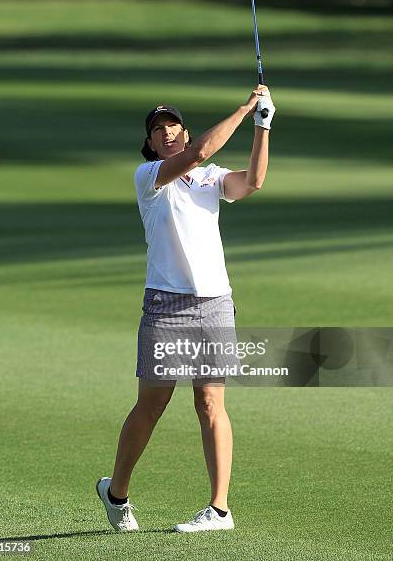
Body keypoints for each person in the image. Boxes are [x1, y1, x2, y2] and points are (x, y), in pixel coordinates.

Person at [96, 85, 276, 533]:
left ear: (183, 128)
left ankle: (219, 509)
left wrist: (262, 126)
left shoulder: (211, 177)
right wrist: (244, 107)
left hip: (216, 303)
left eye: (172, 124)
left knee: (211, 402)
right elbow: (196, 153)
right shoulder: (150, 176)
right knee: (152, 405)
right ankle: (116, 492)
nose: (167, 132)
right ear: (152, 144)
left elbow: (252, 182)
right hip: (165, 306)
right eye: (158, 130)